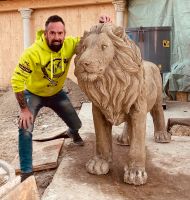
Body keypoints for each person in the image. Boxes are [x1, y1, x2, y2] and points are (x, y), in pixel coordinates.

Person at [11, 15, 111, 182]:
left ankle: (72, 132)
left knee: (77, 123)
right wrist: (24, 109)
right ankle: (26, 172)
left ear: (65, 33)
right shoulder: (32, 53)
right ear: (45, 33)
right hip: (34, 94)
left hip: (56, 93)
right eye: (53, 33)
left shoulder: (70, 44)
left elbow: (90, 42)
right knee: (25, 128)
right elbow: (16, 80)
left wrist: (102, 27)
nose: (57, 37)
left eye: (60, 33)